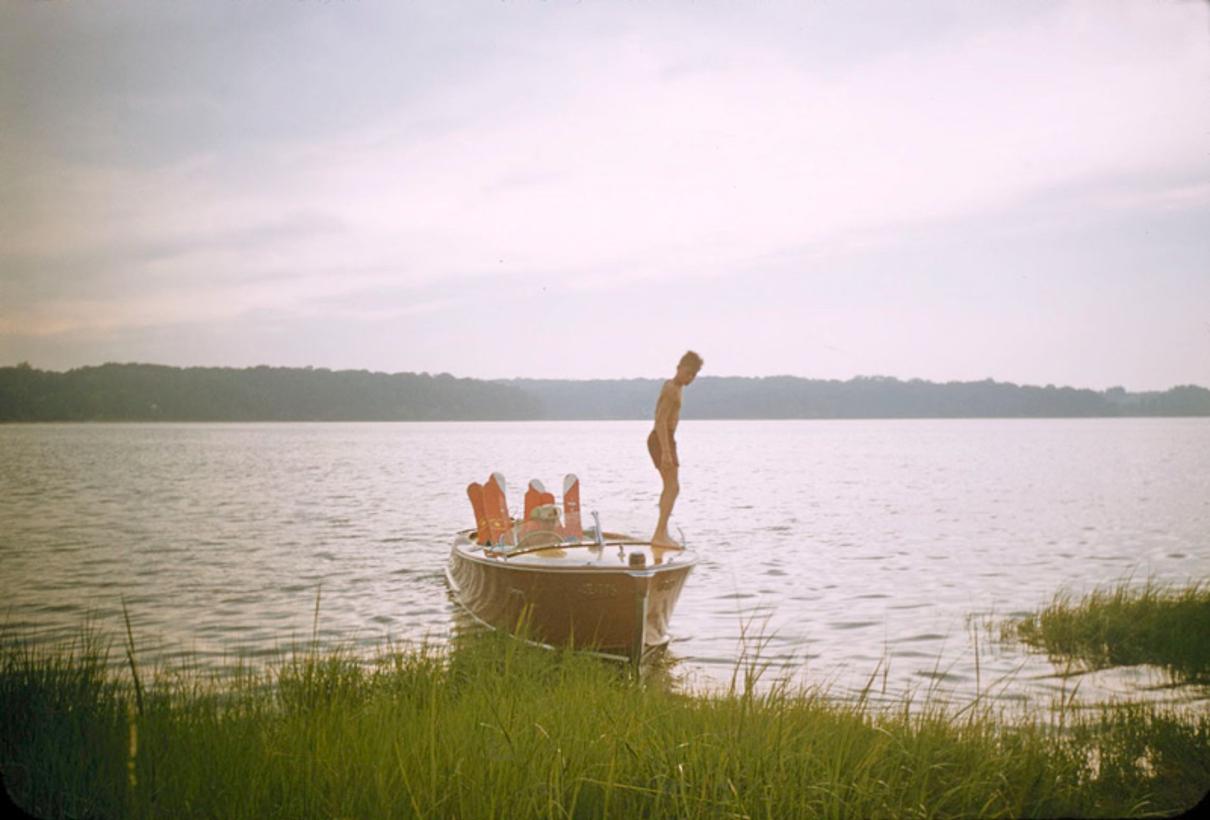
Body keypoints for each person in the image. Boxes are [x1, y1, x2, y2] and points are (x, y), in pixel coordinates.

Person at [648, 350, 703, 548]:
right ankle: (659, 534)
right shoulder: (671, 388)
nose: (690, 378)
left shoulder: (677, 387)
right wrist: (666, 452)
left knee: (671, 487)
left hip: (667, 439)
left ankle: (661, 532)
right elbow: (660, 420)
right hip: (661, 439)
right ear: (679, 368)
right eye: (688, 373)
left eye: (693, 375)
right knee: (672, 487)